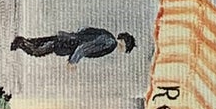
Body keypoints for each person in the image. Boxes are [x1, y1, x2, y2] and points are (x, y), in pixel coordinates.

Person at [11, 28, 139, 64]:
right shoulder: (110, 43)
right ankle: (20, 42)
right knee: (38, 51)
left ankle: (20, 42)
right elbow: (85, 47)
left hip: (67, 39)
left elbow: (85, 30)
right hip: (67, 44)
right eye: (126, 48)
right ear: (123, 42)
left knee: (38, 43)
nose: (124, 51)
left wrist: (75, 36)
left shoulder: (108, 36)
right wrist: (73, 61)